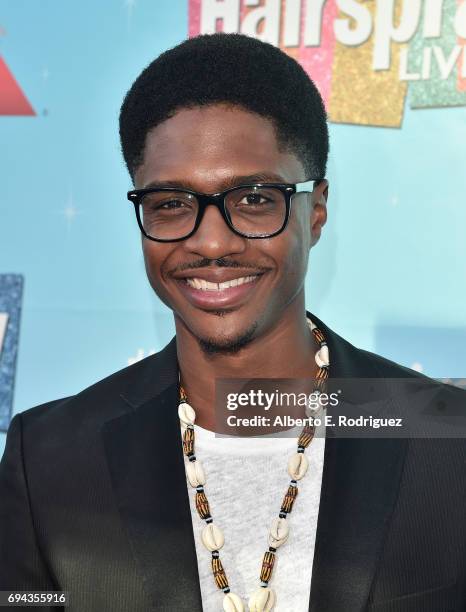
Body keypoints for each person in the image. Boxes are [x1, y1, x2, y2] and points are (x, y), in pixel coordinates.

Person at [0, 33, 465, 612]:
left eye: (253, 199)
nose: (211, 242)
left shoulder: (447, 439)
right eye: (170, 203)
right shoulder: (48, 459)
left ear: (315, 211)